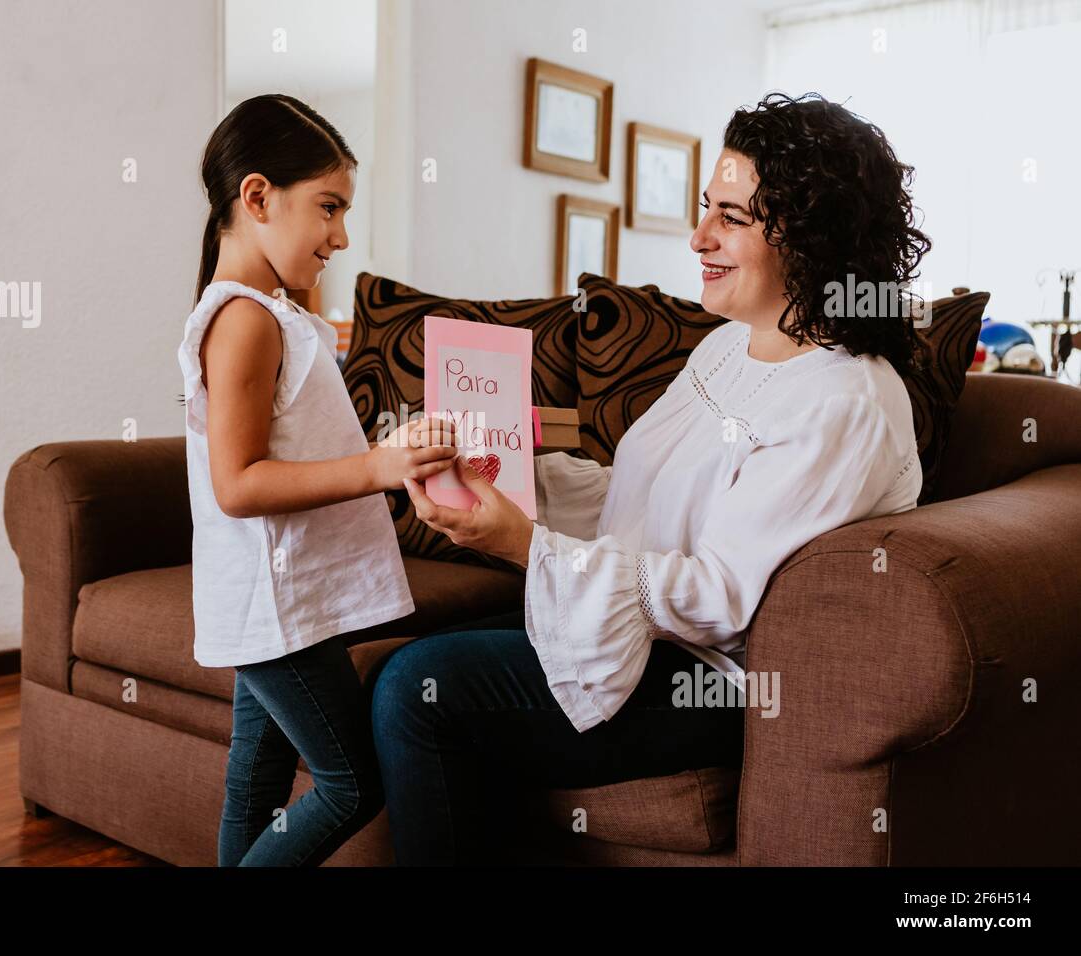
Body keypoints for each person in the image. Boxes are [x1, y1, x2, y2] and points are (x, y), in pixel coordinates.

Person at [371, 91, 932, 865]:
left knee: (417, 690)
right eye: (706, 208)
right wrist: (514, 480)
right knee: (397, 660)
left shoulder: (843, 401)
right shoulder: (728, 347)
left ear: (812, 237)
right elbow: (638, 497)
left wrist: (526, 546)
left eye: (731, 219)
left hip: (707, 682)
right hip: (649, 633)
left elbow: (720, 599)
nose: (697, 236)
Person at [176, 94, 457, 866]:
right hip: (275, 600)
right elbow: (238, 485)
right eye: (329, 208)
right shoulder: (244, 320)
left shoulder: (275, 311)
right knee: (353, 782)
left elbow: (297, 438)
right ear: (258, 196)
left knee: (258, 774)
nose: (341, 235)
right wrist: (379, 466)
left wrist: (390, 447)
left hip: (277, 598)